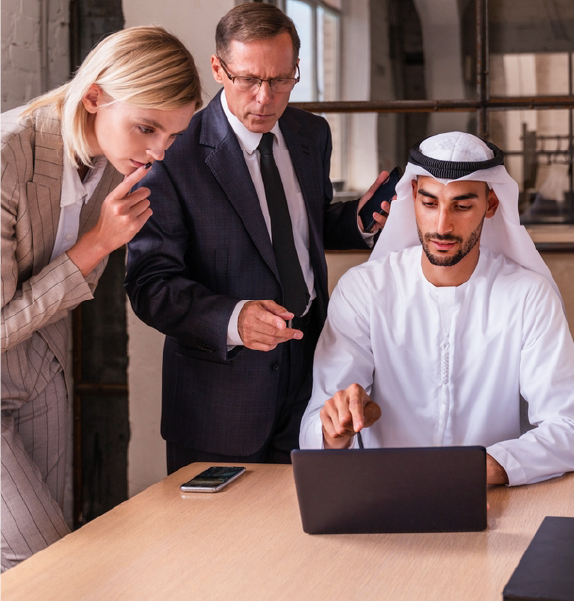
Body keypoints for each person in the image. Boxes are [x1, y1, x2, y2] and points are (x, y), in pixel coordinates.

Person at [124, 3, 390, 474]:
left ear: (296, 71)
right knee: (221, 545)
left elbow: (296, 226)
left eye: (281, 80)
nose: (265, 98)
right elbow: (150, 285)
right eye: (248, 79)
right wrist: (233, 318)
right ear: (218, 69)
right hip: (220, 397)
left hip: (312, 367)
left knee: (307, 530)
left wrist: (360, 221)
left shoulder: (311, 133)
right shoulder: (171, 151)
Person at [0, 26, 201, 570]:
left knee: (55, 548)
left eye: (174, 136)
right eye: (146, 127)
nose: (159, 152)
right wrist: (96, 246)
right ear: (94, 96)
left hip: (42, 370)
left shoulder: (120, 162)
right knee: (39, 560)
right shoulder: (6, 158)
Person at [300, 132, 574, 486]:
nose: (442, 225)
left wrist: (483, 468)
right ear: (412, 198)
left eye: (461, 206)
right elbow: (315, 431)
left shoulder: (527, 296)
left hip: (495, 505)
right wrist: (334, 431)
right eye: (430, 204)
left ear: (490, 205)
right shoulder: (363, 290)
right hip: (382, 499)